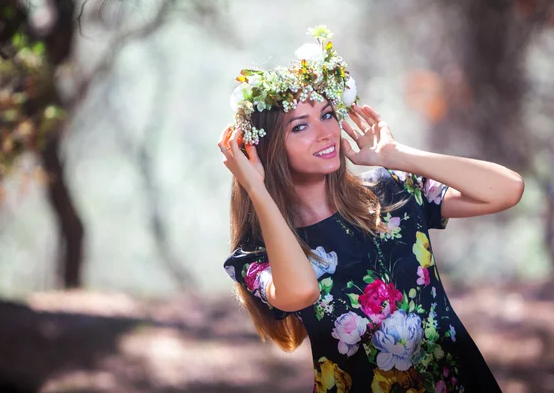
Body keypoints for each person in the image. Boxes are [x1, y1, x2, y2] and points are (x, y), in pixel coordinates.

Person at [218, 25, 522, 393]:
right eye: (300, 126)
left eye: (327, 115)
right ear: (263, 150)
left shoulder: (392, 190)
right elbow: (300, 293)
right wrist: (257, 187)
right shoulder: (256, 255)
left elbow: (506, 190)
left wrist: (397, 156)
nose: (325, 133)